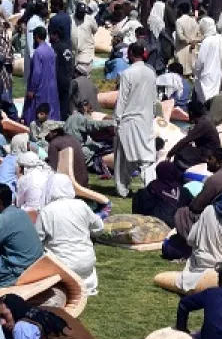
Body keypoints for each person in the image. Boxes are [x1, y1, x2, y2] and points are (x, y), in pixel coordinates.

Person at [34, 174, 102, 295]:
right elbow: (99, 227)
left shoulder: (47, 211)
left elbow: (36, 241)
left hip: (62, 266)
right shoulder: (81, 205)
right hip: (86, 263)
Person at [113, 42, 158, 196]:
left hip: (128, 120)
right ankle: (151, 187)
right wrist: (153, 115)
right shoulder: (151, 73)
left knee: (122, 157)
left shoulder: (127, 73)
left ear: (131, 53)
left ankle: (122, 189)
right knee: (147, 157)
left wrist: (116, 120)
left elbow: (122, 99)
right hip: (145, 120)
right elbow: (154, 99)